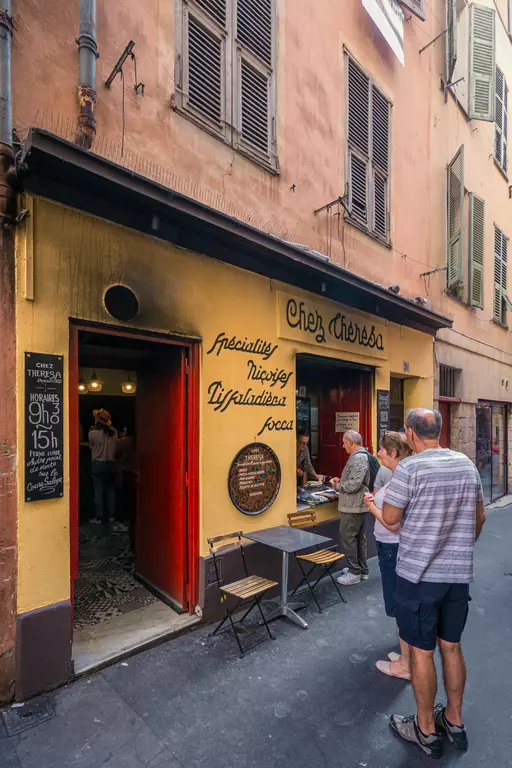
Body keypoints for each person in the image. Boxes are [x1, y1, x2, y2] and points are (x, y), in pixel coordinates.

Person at [382, 408, 486, 759]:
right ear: (439, 431)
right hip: (456, 577)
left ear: (410, 434)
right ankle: (454, 721)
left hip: (418, 577)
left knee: (422, 653)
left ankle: (425, 729)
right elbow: (479, 517)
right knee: (452, 647)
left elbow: (392, 519)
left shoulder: (410, 468)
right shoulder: (465, 464)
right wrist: (457, 546)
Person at [363, 431, 412, 680]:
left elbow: (393, 524)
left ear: (393, 453)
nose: (379, 453)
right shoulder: (399, 476)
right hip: (393, 547)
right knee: (400, 601)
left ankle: (406, 664)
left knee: (398, 603)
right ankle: (406, 656)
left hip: (392, 548)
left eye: (382, 450)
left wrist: (371, 506)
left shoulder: (401, 479)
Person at [330, 430, 370, 586]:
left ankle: (354, 572)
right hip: (356, 504)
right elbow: (354, 479)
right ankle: (361, 570)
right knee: (358, 538)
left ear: (351, 442)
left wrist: (337, 485)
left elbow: (354, 484)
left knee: (348, 537)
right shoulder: (360, 457)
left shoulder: (358, 458)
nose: (342, 445)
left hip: (353, 505)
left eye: (344, 442)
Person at [88, 409, 118, 525]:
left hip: (98, 463)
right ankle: (111, 516)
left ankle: (99, 517)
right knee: (111, 490)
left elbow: (91, 447)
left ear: (97, 420)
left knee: (98, 491)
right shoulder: (114, 432)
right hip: (111, 463)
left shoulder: (92, 433)